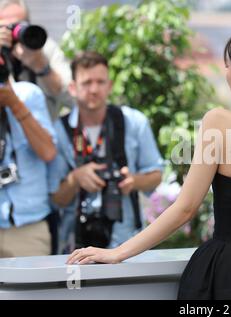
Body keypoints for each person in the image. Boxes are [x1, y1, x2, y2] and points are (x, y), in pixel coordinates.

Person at [67, 26, 231, 300]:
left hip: (229, 274)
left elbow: (185, 209)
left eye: (228, 67)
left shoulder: (219, 123)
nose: (227, 74)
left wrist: (117, 253)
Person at [50, 51, 164, 252]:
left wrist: (133, 181)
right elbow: (55, 198)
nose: (94, 89)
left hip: (127, 243)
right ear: (73, 88)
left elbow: (156, 175)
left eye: (100, 82)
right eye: (86, 83)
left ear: (109, 86)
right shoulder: (59, 130)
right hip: (74, 243)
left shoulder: (134, 122)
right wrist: (76, 178)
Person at [0, 78, 57, 257]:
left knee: (30, 285)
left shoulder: (27, 94)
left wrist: (15, 104)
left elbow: (48, 152)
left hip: (28, 228)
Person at [0, 0, 73, 120]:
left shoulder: (44, 47)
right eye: (6, 27)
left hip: (44, 132)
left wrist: (41, 66)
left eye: (18, 26)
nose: (13, 33)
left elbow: (72, 98)